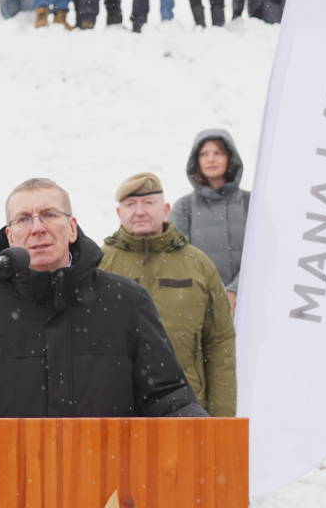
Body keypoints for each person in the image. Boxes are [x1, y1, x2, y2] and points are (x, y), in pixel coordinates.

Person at [0, 178, 208, 482]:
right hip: (15, 490)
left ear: (72, 227)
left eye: (49, 214)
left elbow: (168, 395)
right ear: (10, 236)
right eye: (23, 219)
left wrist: (197, 430)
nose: (37, 228)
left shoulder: (127, 302)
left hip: (113, 488)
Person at [100, 172, 237, 416]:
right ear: (119, 213)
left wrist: (221, 419)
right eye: (130, 204)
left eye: (148, 203)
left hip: (186, 411)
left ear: (165, 210)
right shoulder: (100, 265)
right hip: (116, 412)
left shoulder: (198, 265)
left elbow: (219, 342)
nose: (140, 211)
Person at [171, 129, 249, 312]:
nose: (211, 159)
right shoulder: (184, 208)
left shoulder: (250, 203)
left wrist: (235, 291)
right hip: (203, 307)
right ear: (196, 161)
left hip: (250, 304)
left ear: (230, 157)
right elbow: (176, 260)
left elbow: (264, 253)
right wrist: (216, 295)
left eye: (218, 152)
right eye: (204, 154)